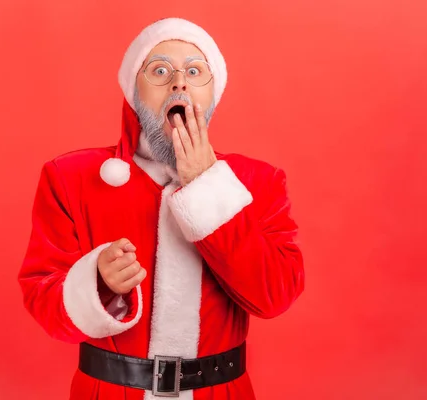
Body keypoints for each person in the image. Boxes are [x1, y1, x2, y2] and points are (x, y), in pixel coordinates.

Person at [18, 17, 305, 400]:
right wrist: (98, 284)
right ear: (133, 92)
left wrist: (207, 186)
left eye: (194, 71)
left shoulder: (259, 182)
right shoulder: (69, 177)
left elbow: (275, 295)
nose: (179, 82)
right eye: (160, 70)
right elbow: (43, 300)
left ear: (212, 95)